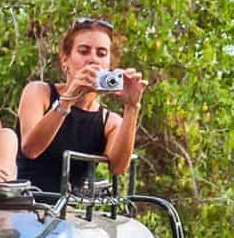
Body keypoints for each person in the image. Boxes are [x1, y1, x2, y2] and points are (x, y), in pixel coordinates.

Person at [15, 18, 147, 194]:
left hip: (69, 214)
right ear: (65, 60)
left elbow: (118, 168)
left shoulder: (110, 122)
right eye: (84, 51)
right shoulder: (39, 92)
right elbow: (31, 149)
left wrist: (132, 106)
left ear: (109, 65)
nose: (92, 60)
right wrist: (69, 97)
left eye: (101, 54)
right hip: (25, 205)